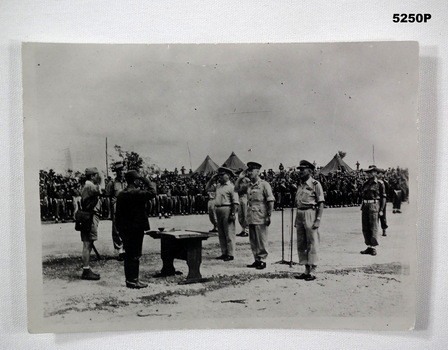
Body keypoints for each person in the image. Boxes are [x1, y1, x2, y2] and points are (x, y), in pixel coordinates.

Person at [115, 170, 157, 289]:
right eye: (138, 179)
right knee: (135, 255)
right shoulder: (136, 193)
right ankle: (134, 281)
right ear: (135, 180)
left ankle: (130, 280)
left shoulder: (122, 194)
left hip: (125, 229)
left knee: (129, 254)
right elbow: (153, 192)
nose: (140, 181)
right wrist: (146, 179)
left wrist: (120, 229)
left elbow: (117, 215)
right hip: (136, 228)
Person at [293, 160, 325, 281]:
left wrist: (318, 219)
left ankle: (313, 270)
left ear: (310, 171)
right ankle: (306, 269)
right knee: (302, 242)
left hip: (310, 213)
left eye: (303, 169)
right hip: (300, 213)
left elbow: (321, 203)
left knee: (312, 241)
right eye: (299, 169)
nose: (300, 172)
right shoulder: (300, 185)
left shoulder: (315, 184)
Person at [245, 162, 275, 270]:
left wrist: (268, 215)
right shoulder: (249, 185)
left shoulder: (264, 184)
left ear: (258, 172)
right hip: (251, 213)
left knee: (261, 238)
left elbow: (270, 201)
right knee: (253, 238)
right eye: (248, 171)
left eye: (251, 171)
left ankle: (263, 260)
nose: (248, 173)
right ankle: (256, 259)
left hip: (261, 214)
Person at [205, 167, 239, 261]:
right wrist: (212, 179)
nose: (219, 177)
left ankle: (230, 254)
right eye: (219, 175)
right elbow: (207, 189)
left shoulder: (232, 187)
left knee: (229, 232)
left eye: (222, 175)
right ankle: (224, 252)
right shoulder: (218, 186)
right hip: (218, 209)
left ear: (228, 176)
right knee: (221, 233)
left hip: (227, 209)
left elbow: (235, 202)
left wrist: (233, 213)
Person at [79, 167, 103, 281]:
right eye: (96, 175)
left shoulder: (87, 186)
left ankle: (86, 269)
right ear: (92, 176)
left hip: (88, 217)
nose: (98, 177)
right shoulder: (90, 186)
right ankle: (86, 270)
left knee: (87, 243)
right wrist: (101, 180)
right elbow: (100, 190)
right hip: (90, 217)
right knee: (87, 244)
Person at [360, 166, 386, 256]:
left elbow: (383, 197)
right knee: (365, 226)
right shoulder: (365, 183)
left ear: (376, 173)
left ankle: (374, 247)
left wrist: (382, 209)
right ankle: (369, 246)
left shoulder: (379, 183)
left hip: (374, 205)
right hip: (365, 206)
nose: (369, 174)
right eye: (368, 172)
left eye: (371, 172)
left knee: (373, 226)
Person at [105, 162, 126, 261]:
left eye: (122, 170)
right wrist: (109, 211)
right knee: (117, 228)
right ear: (116, 172)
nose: (121, 172)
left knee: (127, 227)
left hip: (126, 206)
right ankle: (120, 250)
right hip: (116, 206)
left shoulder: (126, 182)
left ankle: (126, 249)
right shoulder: (112, 183)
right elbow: (108, 198)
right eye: (119, 170)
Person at [234, 169, 250, 237]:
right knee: (240, 215)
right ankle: (243, 230)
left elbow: (248, 189)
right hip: (239, 197)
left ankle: (246, 230)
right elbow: (235, 189)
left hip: (245, 196)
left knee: (245, 214)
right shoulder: (238, 181)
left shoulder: (247, 180)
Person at [377, 169, 389, 236]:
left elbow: (387, 192)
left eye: (381, 173)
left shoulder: (385, 183)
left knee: (382, 216)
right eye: (379, 173)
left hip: (382, 201)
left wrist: (384, 200)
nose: (380, 175)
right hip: (376, 201)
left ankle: (384, 230)